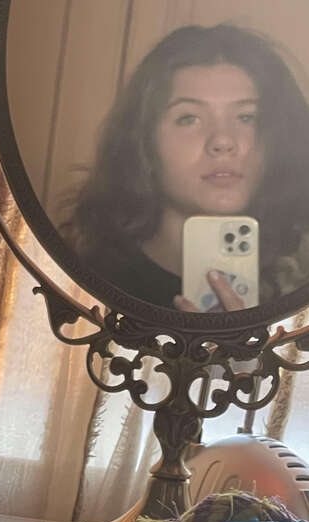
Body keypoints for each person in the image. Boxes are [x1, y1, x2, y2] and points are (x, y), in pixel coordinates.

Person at [61, 24, 309, 309]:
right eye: (189, 118)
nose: (223, 141)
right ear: (144, 141)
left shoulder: (301, 282)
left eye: (246, 118)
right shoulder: (83, 283)